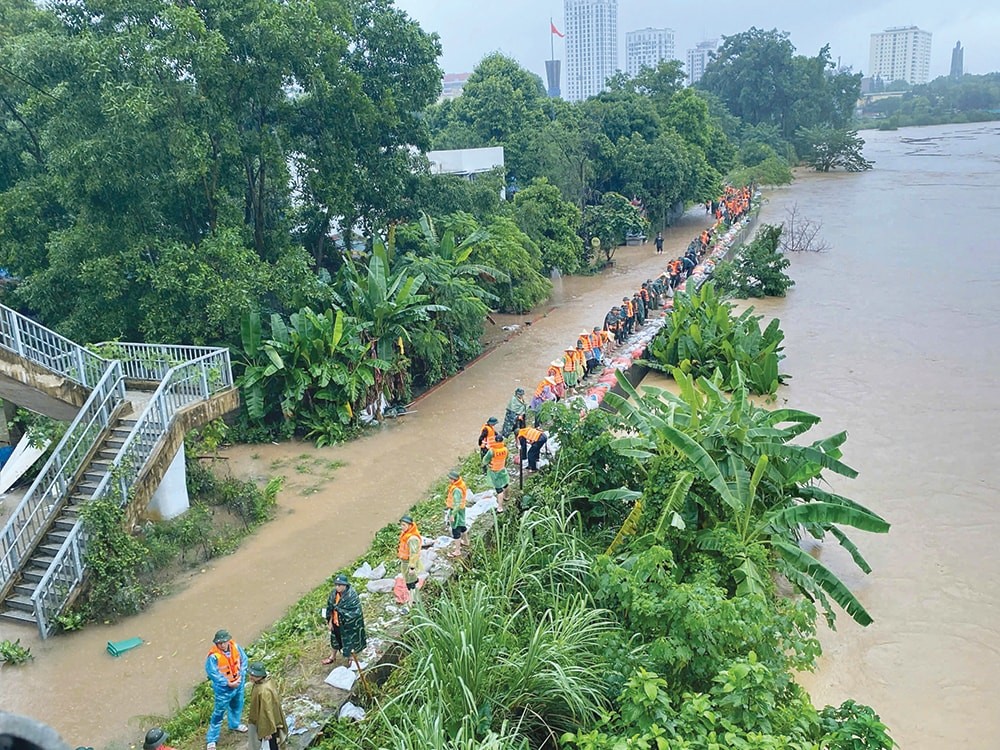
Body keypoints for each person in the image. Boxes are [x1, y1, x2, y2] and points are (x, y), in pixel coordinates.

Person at [205, 629, 248, 750]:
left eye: (224, 642)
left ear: (228, 641)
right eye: (219, 643)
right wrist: (228, 683)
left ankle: (234, 724)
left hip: (238, 683)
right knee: (218, 713)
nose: (222, 645)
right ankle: (211, 739)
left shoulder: (236, 647)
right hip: (224, 689)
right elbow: (213, 673)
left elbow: (244, 661)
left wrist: (241, 676)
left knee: (237, 705)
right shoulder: (213, 656)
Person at [323, 574, 367, 665]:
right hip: (336, 622)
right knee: (335, 639)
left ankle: (351, 658)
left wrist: (340, 611)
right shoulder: (334, 594)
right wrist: (330, 622)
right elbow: (330, 608)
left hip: (347, 625)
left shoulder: (351, 596)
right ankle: (332, 657)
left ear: (345, 585)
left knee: (350, 641)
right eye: (336, 585)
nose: (337, 587)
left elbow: (355, 612)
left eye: (339, 585)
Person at [246, 663, 286, 750]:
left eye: (254, 675)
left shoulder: (264, 690)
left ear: (261, 676)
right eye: (250, 674)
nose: (251, 677)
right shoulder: (263, 681)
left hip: (267, 724)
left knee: (270, 743)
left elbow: (266, 712)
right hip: (265, 720)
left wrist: (267, 731)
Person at [481, 434, 510, 512]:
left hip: (494, 471)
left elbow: (485, 460)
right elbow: (506, 458)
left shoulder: (492, 451)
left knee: (499, 490)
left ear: (495, 441)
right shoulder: (505, 449)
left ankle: (500, 507)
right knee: (506, 484)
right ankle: (507, 497)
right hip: (502, 469)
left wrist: (487, 464)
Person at [444, 470, 469, 557]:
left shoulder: (456, 490)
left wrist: (452, 515)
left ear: (453, 480)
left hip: (456, 511)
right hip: (461, 509)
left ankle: (457, 551)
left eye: (450, 478)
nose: (449, 480)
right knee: (462, 526)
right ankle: (466, 541)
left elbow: (457, 504)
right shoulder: (460, 484)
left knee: (456, 530)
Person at [397, 515, 423, 593]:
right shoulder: (406, 535)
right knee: (409, 580)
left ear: (410, 526)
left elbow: (414, 554)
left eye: (404, 525)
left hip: (409, 563)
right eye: (401, 525)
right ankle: (413, 595)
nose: (402, 527)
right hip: (405, 562)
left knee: (411, 583)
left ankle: (413, 598)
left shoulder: (412, 539)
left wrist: (412, 568)